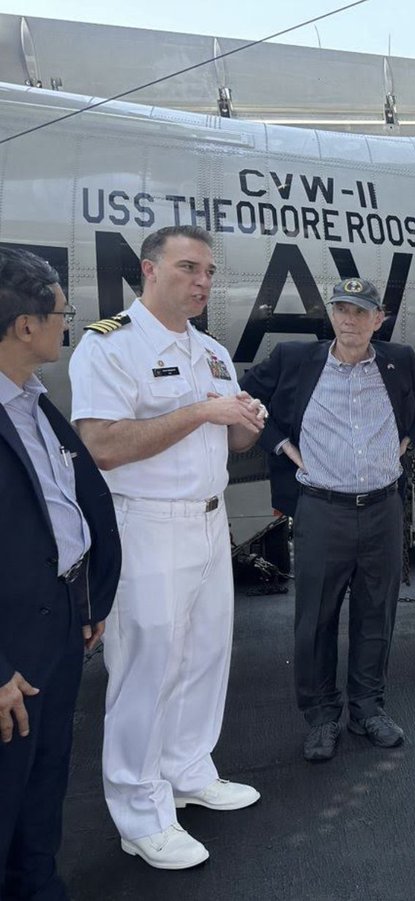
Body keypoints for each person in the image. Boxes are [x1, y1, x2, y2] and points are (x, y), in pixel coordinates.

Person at [70, 225, 266, 870]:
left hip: (209, 521)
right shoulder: (110, 347)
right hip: (146, 524)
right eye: (189, 268)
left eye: (209, 271)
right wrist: (202, 413)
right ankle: (139, 811)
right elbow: (101, 445)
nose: (203, 281)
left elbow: (232, 448)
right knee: (146, 668)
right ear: (148, 271)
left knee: (205, 656)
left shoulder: (211, 351)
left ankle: (187, 770)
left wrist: (243, 423)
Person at [241, 277, 415, 763]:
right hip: (321, 510)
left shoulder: (399, 362)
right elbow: (242, 395)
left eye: (361, 311)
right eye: (341, 309)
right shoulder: (295, 360)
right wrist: (281, 446)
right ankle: (322, 717)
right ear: (331, 315)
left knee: (378, 612)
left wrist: (408, 440)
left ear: (379, 319)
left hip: (381, 509)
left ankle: (368, 708)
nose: (349, 319)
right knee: (316, 619)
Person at [0, 248, 120, 900]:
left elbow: (74, 505)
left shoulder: (35, 402)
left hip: (62, 622)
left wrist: (92, 597)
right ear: (26, 324)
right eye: (60, 312)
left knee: (45, 783)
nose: (66, 324)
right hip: (11, 648)